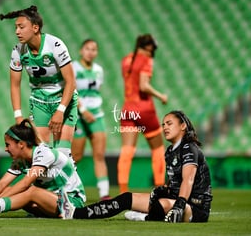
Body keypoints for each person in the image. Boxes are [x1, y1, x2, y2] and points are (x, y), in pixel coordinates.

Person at [59, 110, 213, 223]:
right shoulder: (170, 151)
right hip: (176, 200)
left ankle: (145, 218)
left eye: (169, 123)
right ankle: (74, 213)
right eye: (163, 124)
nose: (165, 127)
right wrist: (164, 190)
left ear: (183, 126)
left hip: (194, 207)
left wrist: (179, 205)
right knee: (126, 198)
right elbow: (175, 183)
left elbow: (188, 180)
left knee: (160, 205)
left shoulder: (189, 148)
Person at [0, 119, 86, 218]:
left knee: (31, 191)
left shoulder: (43, 154)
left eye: (8, 144)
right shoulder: (22, 160)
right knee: (8, 191)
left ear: (21, 144)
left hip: (71, 203)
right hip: (50, 202)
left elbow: (24, 183)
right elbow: (2, 184)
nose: (6, 149)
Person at [0, 5, 78, 159]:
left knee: (62, 155)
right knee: (43, 154)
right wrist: (18, 116)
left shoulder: (55, 46)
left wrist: (60, 111)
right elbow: (14, 85)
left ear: (35, 28)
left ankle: (72, 183)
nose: (17, 32)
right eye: (16, 27)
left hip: (64, 101)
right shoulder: (18, 51)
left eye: (21, 27)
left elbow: (71, 82)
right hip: (39, 102)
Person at [117, 34, 168, 193]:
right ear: (149, 47)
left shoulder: (126, 60)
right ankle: (160, 186)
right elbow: (144, 86)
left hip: (127, 110)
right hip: (144, 110)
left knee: (127, 150)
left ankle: (123, 190)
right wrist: (161, 96)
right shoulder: (146, 60)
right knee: (158, 150)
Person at [71, 39, 110, 200]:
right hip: (79, 116)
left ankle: (104, 193)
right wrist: (82, 109)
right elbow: (71, 90)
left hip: (96, 116)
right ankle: (65, 187)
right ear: (81, 50)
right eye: (87, 48)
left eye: (94, 49)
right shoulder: (73, 67)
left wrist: (90, 110)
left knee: (99, 155)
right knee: (76, 156)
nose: (90, 52)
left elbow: (96, 92)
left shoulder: (99, 70)